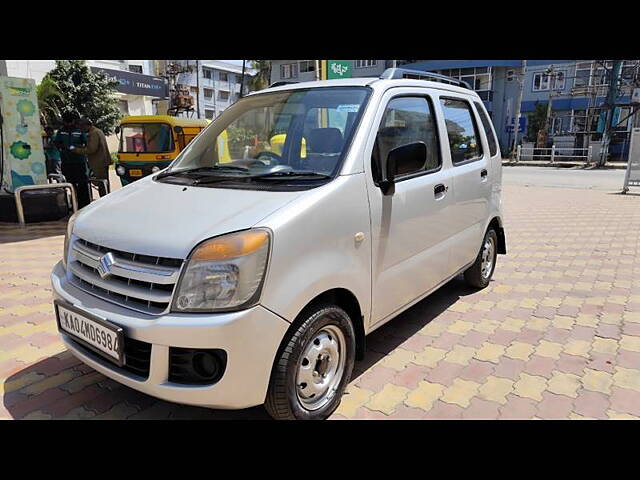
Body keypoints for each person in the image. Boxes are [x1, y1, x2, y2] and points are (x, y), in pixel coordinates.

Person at [54, 113, 91, 209]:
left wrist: (77, 148)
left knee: (82, 184)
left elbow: (86, 144)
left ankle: (85, 205)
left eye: (70, 122)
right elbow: (57, 142)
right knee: (71, 184)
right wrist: (62, 147)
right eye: (66, 122)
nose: (68, 124)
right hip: (66, 162)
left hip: (79, 161)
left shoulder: (80, 131)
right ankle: (74, 204)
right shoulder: (61, 131)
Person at [74, 118, 112, 197]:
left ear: (86, 126)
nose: (81, 130)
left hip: (98, 162)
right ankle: (106, 198)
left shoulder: (93, 133)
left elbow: (91, 149)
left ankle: (104, 200)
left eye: (81, 127)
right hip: (102, 161)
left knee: (101, 184)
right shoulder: (98, 131)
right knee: (104, 183)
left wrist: (76, 150)